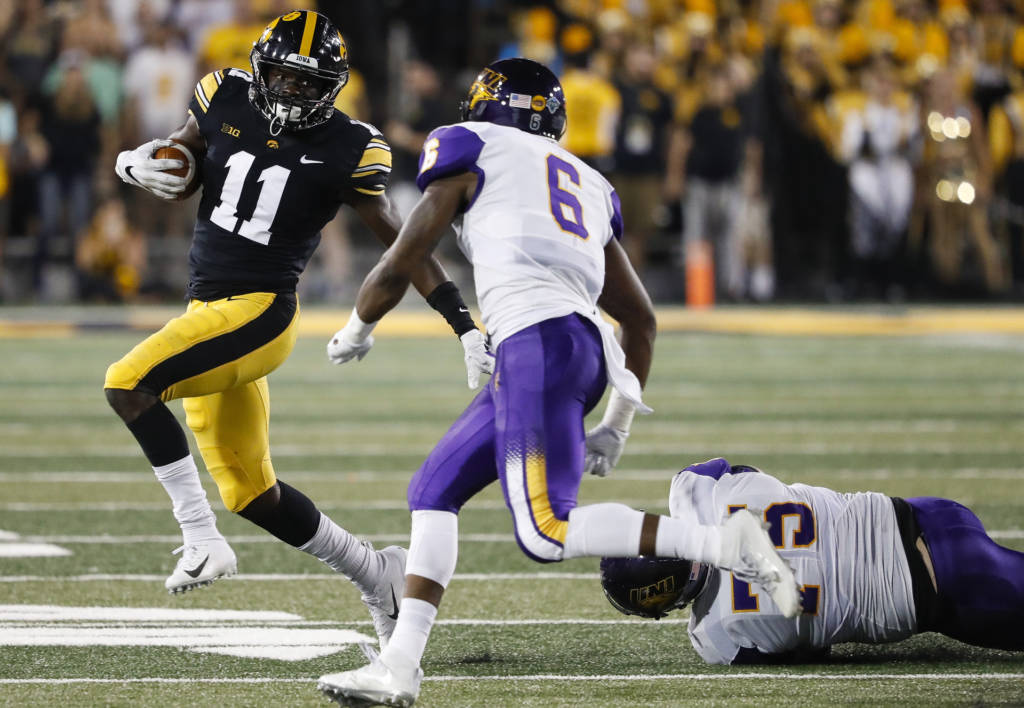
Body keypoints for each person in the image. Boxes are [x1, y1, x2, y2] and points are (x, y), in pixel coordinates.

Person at [316, 58, 800, 707]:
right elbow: (642, 320)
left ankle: (722, 543)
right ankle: (400, 666)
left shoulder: (471, 144)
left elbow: (406, 253)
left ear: (486, 108)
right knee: (433, 491)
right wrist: (616, 426)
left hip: (535, 345)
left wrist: (358, 324)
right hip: (580, 349)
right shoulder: (591, 182)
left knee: (545, 530)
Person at [103, 11, 490, 651]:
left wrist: (461, 321)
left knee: (127, 384)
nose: (290, 92)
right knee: (252, 492)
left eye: (308, 85)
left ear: (332, 87)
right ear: (260, 69)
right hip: (206, 312)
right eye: (282, 76)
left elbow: (406, 244)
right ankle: (377, 575)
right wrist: (141, 163)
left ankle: (198, 538)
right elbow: (186, 158)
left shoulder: (348, 146)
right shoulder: (224, 93)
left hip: (259, 311)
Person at [600, 457, 1024, 664]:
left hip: (945, 591)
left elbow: (815, 652)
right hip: (923, 513)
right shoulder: (696, 490)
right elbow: (744, 469)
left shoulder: (718, 637)